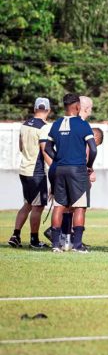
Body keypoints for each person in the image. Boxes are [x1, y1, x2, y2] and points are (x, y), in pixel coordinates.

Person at [44, 93, 97, 253]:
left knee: (59, 206)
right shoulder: (82, 125)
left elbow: (47, 148)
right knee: (79, 207)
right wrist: (89, 165)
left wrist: (59, 159)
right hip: (77, 169)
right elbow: (93, 148)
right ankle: (78, 245)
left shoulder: (57, 124)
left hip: (59, 169)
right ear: (77, 107)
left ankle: (55, 245)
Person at [8, 98, 52, 249]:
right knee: (38, 207)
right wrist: (54, 168)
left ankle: (16, 235)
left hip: (24, 169)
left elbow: (21, 147)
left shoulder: (25, 125)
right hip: (36, 171)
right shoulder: (45, 127)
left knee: (27, 204)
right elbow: (45, 150)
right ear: (48, 110)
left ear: (34, 109)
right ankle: (34, 240)